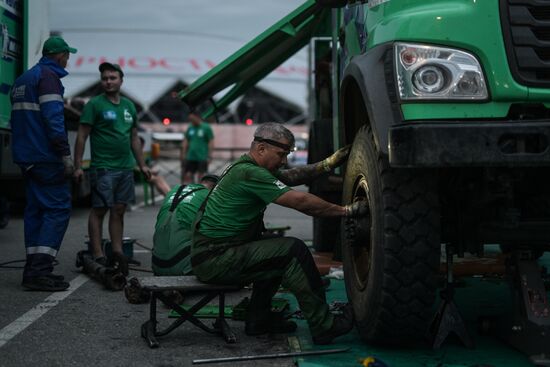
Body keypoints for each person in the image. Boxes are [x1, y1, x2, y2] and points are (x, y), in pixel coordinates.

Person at [191, 122, 367, 344]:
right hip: (216, 259)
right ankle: (325, 326)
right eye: (281, 154)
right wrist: (346, 211)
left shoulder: (246, 167)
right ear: (261, 148)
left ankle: (258, 320)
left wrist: (327, 164)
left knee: (273, 250)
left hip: (211, 254)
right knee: (294, 251)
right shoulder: (249, 173)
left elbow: (291, 176)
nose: (284, 161)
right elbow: (300, 201)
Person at [10, 36, 77, 291]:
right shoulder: (49, 78)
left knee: (36, 210)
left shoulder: (22, 80)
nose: (68, 59)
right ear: (59, 55)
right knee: (58, 209)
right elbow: (53, 120)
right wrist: (65, 155)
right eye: (67, 55)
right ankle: (40, 270)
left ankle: (32, 269)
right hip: (45, 157)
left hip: (25, 156)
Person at [73, 62, 151, 275]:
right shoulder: (94, 105)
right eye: (105, 78)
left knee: (119, 210)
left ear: (121, 80)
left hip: (125, 168)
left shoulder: (128, 106)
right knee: (100, 210)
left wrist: (142, 165)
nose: (108, 81)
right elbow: (82, 135)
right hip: (103, 167)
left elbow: (134, 137)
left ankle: (117, 252)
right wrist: (78, 165)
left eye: (112, 78)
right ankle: (98, 254)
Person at [152, 174, 219, 276]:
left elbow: (160, 183)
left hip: (157, 265)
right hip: (183, 269)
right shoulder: (210, 197)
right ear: (215, 189)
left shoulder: (175, 190)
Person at [180, 111, 214, 184]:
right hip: (190, 156)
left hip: (202, 156)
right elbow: (186, 140)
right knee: (188, 174)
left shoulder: (206, 127)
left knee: (201, 175)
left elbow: (211, 141)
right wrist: (183, 153)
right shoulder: (190, 127)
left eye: (192, 119)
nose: (191, 121)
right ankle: (188, 190)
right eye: (190, 119)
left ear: (197, 117)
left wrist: (210, 155)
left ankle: (199, 191)